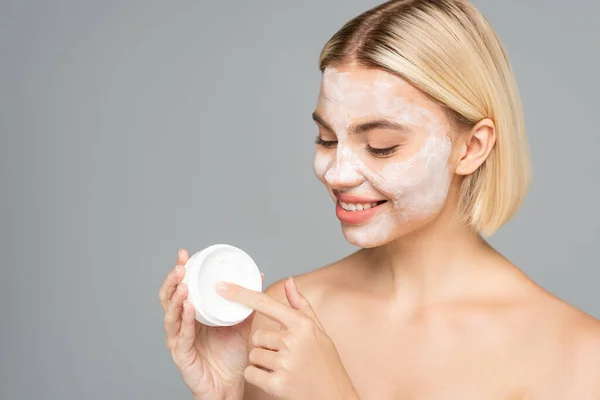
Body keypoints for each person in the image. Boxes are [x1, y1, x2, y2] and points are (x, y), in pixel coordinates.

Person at [158, 0, 600, 398]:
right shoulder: (288, 318)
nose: (336, 172)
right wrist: (228, 397)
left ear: (472, 148)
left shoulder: (578, 357)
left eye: (382, 145)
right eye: (326, 138)